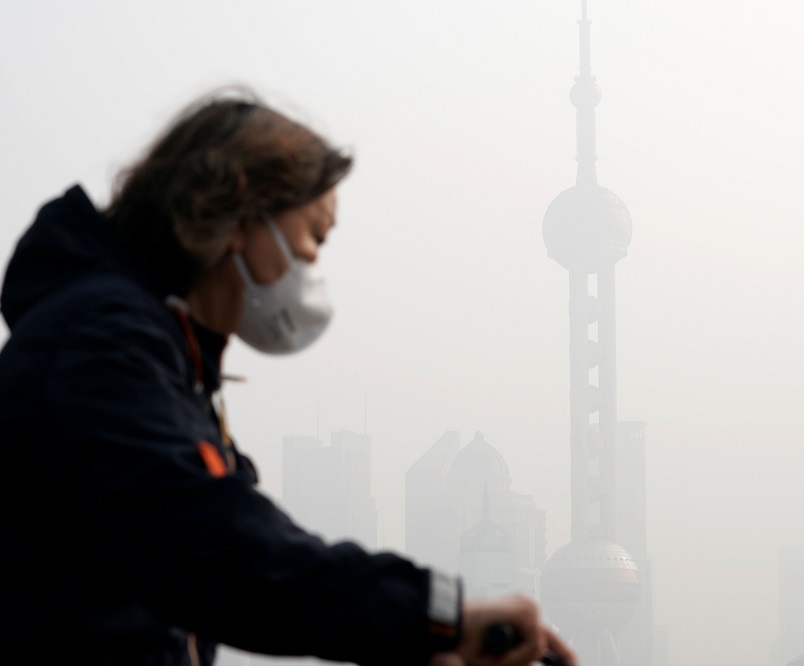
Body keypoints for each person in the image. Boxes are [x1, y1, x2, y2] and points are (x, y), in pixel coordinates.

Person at [0, 90, 575, 666]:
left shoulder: (158, 360)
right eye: (314, 237)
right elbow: (217, 549)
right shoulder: (101, 344)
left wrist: (418, 640)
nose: (312, 266)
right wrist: (435, 614)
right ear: (239, 215)